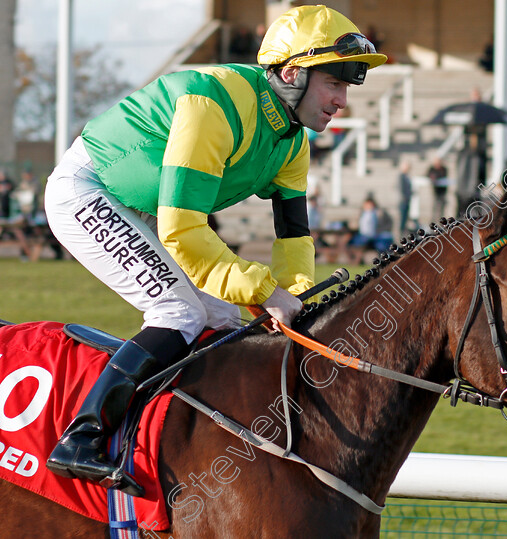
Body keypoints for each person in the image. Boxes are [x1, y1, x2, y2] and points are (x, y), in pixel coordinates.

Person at [42, 5, 387, 495]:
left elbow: (293, 236)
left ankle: (181, 439)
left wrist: (301, 297)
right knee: (176, 310)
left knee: (229, 321)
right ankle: (81, 438)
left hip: (147, 208)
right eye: (334, 83)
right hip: (91, 191)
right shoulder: (213, 101)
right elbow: (183, 230)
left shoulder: (293, 142)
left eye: (348, 87)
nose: (343, 101)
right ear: (291, 73)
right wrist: (267, 292)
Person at [346, 195, 394, 263]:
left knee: (382, 245)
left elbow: (388, 224)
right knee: (349, 243)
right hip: (364, 236)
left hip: (376, 237)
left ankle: (385, 260)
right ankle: (355, 260)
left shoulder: (379, 213)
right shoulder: (362, 213)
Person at [397, 160, 413, 236]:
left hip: (407, 200)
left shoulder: (407, 176)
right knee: (402, 218)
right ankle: (401, 233)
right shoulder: (401, 176)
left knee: (406, 217)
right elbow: (401, 188)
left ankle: (404, 232)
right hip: (404, 201)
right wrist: (404, 197)